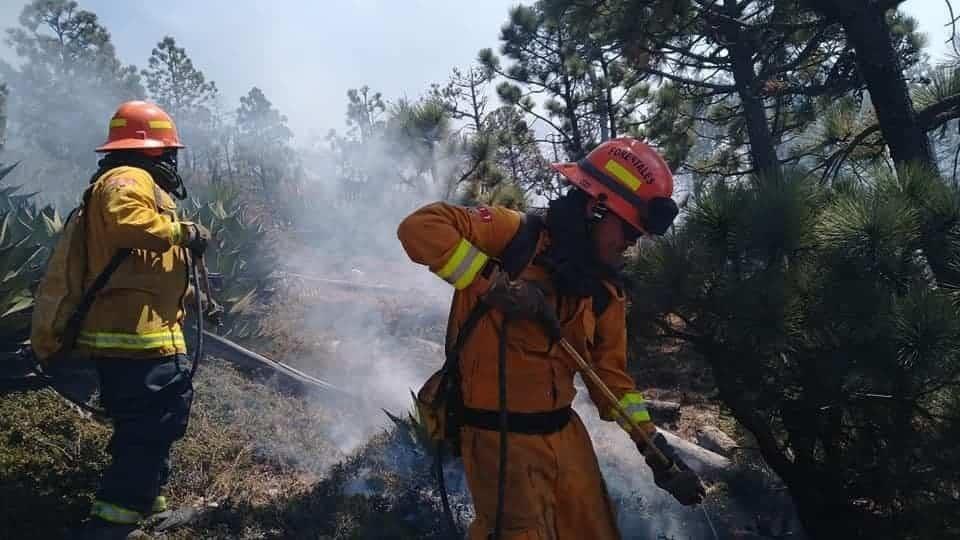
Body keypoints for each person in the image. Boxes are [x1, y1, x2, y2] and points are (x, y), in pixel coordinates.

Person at [397, 137, 705, 539]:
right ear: (596, 208)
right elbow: (418, 228)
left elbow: (613, 381)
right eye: (628, 230)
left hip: (565, 436)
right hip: (499, 440)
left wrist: (653, 449)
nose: (631, 244)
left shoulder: (604, 290)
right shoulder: (515, 237)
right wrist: (494, 284)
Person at [72, 101, 210, 539]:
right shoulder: (126, 179)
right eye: (168, 149)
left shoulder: (133, 179)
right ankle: (113, 525)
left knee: (153, 425)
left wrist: (192, 295)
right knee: (152, 425)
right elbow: (127, 224)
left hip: (144, 334)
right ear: (152, 149)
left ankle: (147, 505)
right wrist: (181, 232)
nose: (172, 159)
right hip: (135, 339)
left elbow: (144, 268)